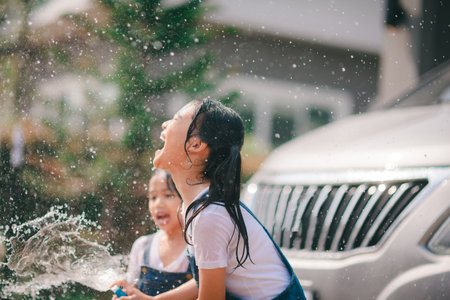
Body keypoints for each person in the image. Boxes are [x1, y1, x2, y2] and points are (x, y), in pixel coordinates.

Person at [111, 99, 306, 299]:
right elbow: (204, 281)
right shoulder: (199, 207)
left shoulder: (209, 216)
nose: (165, 124)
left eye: (175, 119)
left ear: (195, 144)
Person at [124, 169, 192, 296]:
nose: (158, 204)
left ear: (186, 199)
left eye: (168, 195)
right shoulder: (142, 246)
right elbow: (132, 290)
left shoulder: (197, 245)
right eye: (153, 197)